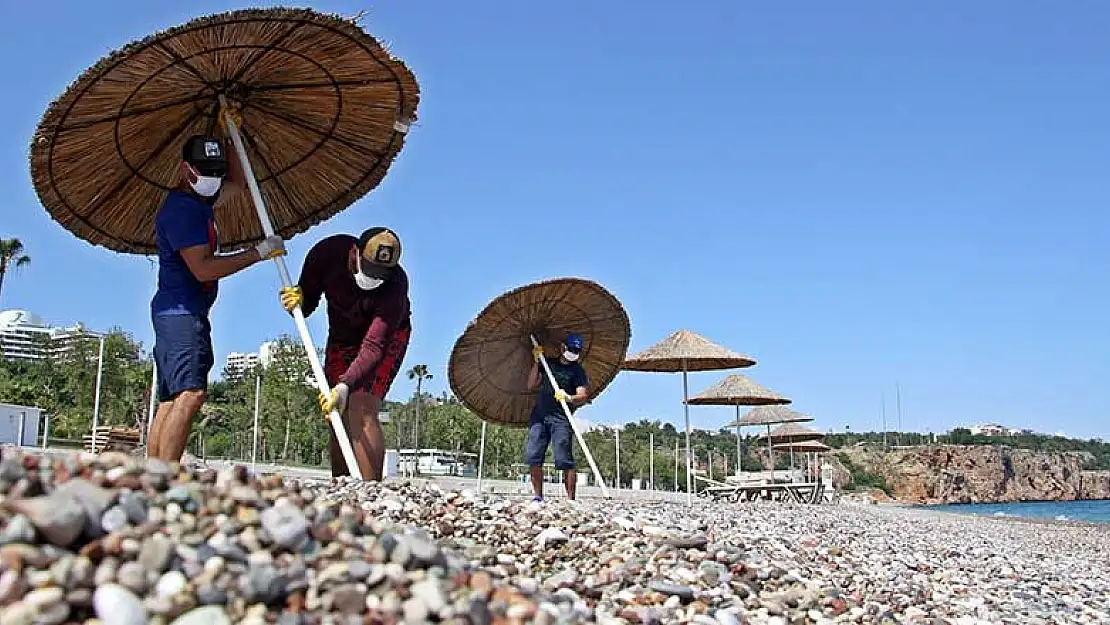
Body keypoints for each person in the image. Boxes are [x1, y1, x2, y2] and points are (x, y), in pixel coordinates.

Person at [149, 134, 286, 463]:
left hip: (172, 313)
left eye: (216, 172)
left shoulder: (199, 203)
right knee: (191, 393)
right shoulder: (184, 210)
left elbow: (237, 184)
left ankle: (151, 472)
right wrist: (257, 253)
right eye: (205, 172)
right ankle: (163, 477)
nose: (212, 180)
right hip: (183, 312)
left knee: (170, 398)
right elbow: (203, 269)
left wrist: (231, 140)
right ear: (186, 170)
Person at [277, 227, 412, 480]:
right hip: (342, 339)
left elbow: (374, 345)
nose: (374, 280)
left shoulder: (396, 285)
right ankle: (341, 485)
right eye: (371, 271)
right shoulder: (326, 255)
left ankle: (370, 492)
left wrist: (346, 384)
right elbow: (305, 306)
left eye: (381, 275)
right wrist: (297, 301)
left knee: (361, 406)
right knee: (336, 412)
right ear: (355, 254)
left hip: (387, 338)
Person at [524, 332, 590, 501]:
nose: (573, 353)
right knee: (534, 455)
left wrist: (569, 397)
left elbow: (582, 395)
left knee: (564, 458)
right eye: (571, 349)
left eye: (577, 351)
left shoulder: (577, 371)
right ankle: (538, 496)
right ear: (563, 347)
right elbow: (531, 384)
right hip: (539, 415)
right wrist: (537, 361)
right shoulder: (548, 364)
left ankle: (571, 499)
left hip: (561, 418)